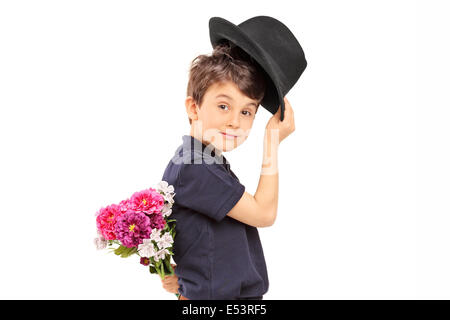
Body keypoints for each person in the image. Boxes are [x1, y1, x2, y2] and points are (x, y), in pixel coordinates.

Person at [159, 15, 306, 300]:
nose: (235, 122)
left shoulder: (202, 160)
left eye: (247, 111)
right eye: (224, 105)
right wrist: (272, 140)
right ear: (193, 107)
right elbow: (263, 213)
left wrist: (178, 274)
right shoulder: (195, 166)